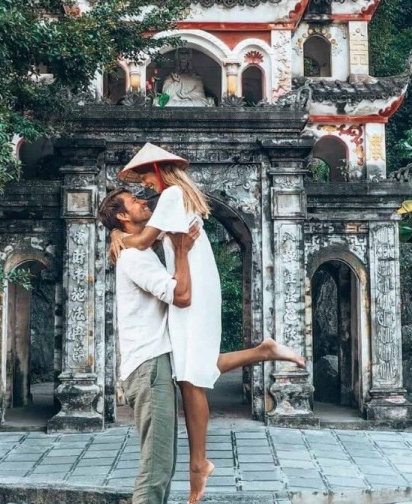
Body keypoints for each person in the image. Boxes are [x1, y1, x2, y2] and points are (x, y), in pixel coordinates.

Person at [110, 143, 305, 504]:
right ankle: (263, 351)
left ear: (157, 172)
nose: (143, 192)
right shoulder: (176, 196)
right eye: (136, 191)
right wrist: (119, 234)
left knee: (188, 375)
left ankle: (198, 464)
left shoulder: (169, 197)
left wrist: (117, 237)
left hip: (192, 285)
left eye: (143, 181)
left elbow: (141, 239)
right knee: (194, 365)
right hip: (198, 279)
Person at [97, 187, 199, 504]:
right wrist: (181, 252)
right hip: (149, 366)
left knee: (163, 462)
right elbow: (181, 297)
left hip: (152, 364)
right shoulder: (133, 258)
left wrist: (116, 231)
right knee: (156, 466)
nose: (144, 201)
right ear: (124, 216)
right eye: (134, 200)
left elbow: (154, 232)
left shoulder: (137, 249)